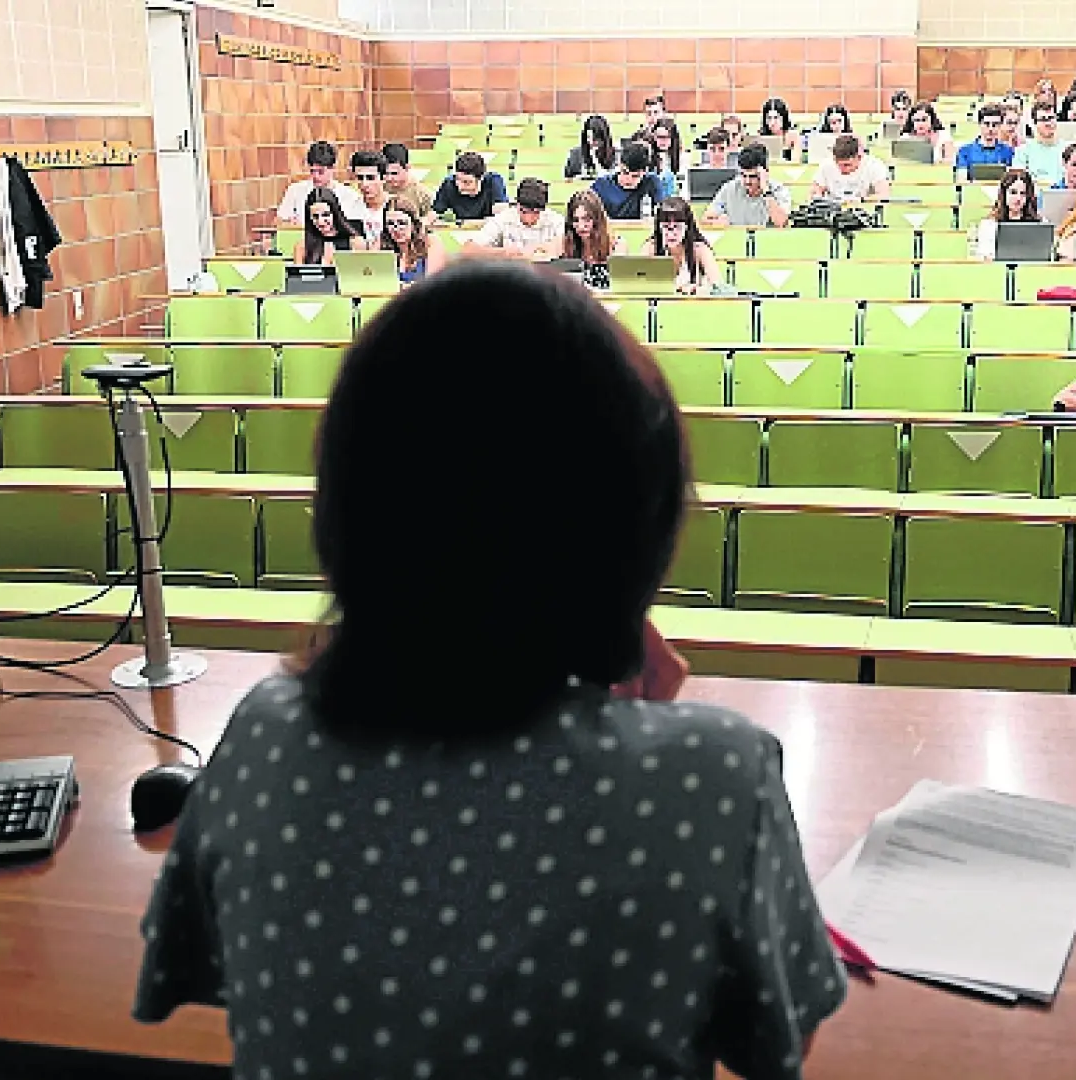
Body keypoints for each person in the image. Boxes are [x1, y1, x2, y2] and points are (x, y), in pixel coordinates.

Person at [133, 259, 847, 1080]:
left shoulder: (262, 737)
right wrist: (645, 736)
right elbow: (778, 1045)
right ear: (632, 527)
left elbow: (207, 974)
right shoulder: (712, 777)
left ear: (346, 512)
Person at [465, 178, 563, 258]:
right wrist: (505, 252)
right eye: (523, 212)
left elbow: (567, 247)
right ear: (516, 205)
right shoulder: (504, 218)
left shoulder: (556, 221)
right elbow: (469, 249)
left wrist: (540, 248)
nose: (528, 218)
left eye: (536, 213)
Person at [277, 140, 368, 225]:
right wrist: (288, 222)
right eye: (312, 171)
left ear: (332, 168)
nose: (316, 176)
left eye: (321, 172)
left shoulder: (350, 196)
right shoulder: (295, 190)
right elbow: (279, 220)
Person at [642, 196, 720, 295]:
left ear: (687, 227)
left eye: (677, 227)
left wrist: (698, 290)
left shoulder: (700, 249)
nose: (671, 234)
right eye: (666, 227)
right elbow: (639, 284)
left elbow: (719, 288)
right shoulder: (650, 247)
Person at [705, 143, 791, 228]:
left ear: (765, 173)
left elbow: (781, 223)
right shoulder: (730, 188)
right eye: (743, 175)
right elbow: (705, 219)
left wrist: (766, 190)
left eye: (753, 176)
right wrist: (715, 222)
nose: (747, 181)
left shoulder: (779, 190)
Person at [559, 190, 625, 290]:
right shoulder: (564, 244)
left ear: (597, 219)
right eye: (576, 220)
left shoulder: (616, 245)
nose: (581, 226)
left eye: (587, 219)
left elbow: (620, 287)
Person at [970, 168, 1042, 259]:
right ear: (1003, 194)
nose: (1018, 198)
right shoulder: (989, 225)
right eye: (1013, 192)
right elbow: (984, 257)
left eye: (1023, 193)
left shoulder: (1040, 223)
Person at [591, 140, 667, 221]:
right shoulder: (601, 185)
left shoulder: (652, 182)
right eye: (625, 172)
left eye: (635, 176)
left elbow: (662, 215)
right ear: (619, 165)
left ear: (645, 171)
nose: (629, 180)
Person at [431, 151, 509, 225]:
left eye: (466, 182)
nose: (460, 186)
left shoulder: (494, 181)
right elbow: (433, 213)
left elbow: (501, 217)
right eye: (457, 179)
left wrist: (472, 224)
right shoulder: (449, 183)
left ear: (481, 178)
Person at [810, 135, 890, 202]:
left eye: (847, 165)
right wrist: (817, 196)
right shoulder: (826, 164)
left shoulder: (874, 166)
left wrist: (860, 200)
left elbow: (883, 195)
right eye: (838, 164)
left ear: (859, 157)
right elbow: (815, 191)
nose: (842, 169)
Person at [380, 203, 447, 283]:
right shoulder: (382, 245)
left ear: (413, 224)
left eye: (402, 223)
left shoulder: (430, 242)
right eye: (390, 223)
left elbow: (433, 284)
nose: (396, 229)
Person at [298, 188, 360, 265]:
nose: (321, 221)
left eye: (326, 215)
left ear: (335, 213)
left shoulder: (355, 242)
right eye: (315, 216)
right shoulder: (302, 247)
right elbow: (296, 276)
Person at [953, 104, 1015, 178]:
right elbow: (962, 179)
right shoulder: (964, 151)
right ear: (979, 124)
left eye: (995, 124)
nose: (991, 129)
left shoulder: (1008, 151)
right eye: (986, 124)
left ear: (1000, 126)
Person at [1010, 105, 1063, 185]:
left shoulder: (1067, 148)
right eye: (1043, 119)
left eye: (1051, 118)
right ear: (1034, 123)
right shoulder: (1023, 151)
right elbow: (1018, 180)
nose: (1048, 123)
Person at [379, 142, 429, 220]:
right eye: (385, 173)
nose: (389, 178)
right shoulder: (379, 187)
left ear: (407, 168)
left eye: (394, 173)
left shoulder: (422, 194)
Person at [348, 149, 389, 237]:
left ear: (384, 178)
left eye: (371, 178)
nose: (364, 184)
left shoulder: (398, 207)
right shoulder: (348, 209)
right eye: (360, 178)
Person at [645, 118, 685, 199]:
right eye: (659, 137)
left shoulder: (682, 157)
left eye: (666, 137)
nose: (662, 141)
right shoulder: (647, 156)